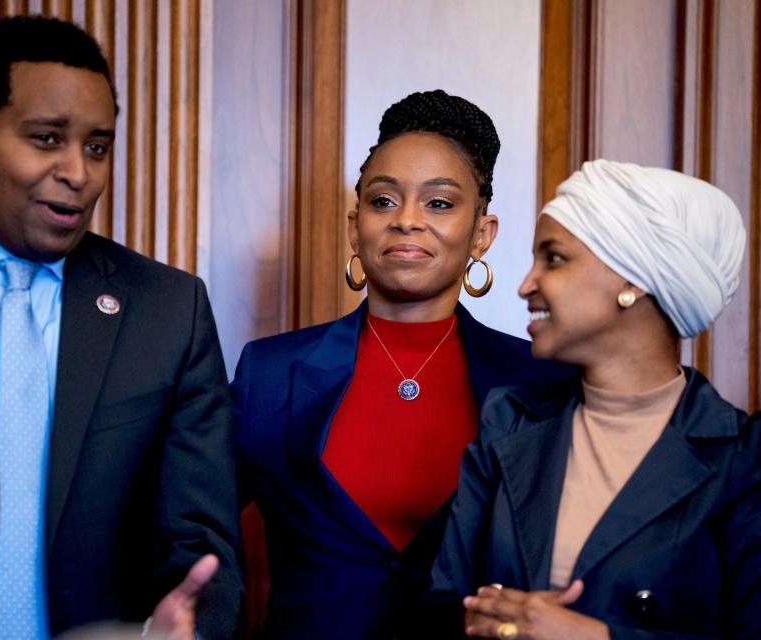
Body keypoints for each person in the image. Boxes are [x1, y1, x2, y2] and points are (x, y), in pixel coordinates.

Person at [0, 16, 241, 640]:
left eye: (97, 146)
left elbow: (199, 541)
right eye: (46, 139)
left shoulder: (169, 311)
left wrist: (179, 630)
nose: (79, 172)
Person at [231, 89, 573, 638]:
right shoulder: (269, 375)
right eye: (384, 200)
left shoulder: (539, 382)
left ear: (481, 235)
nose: (406, 221)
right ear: (354, 226)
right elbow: (191, 536)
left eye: (439, 203)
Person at [431, 159, 761, 639]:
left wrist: (592, 637)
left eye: (553, 258)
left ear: (632, 281)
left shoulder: (754, 460)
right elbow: (444, 607)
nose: (525, 284)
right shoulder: (508, 424)